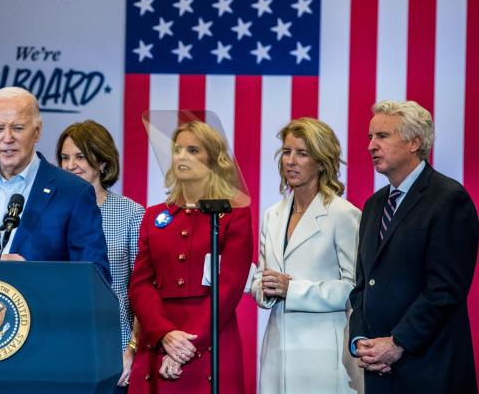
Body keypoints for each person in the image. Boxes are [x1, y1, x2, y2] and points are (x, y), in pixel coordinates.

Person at [349, 100, 479, 393]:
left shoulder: (449, 200)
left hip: (430, 370)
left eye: (382, 136)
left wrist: (397, 343)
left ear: (414, 143)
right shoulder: (373, 205)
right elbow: (362, 286)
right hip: (379, 371)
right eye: (370, 137)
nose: (371, 146)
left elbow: (444, 290)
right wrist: (361, 343)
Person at [0, 87, 110, 282]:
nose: (7, 138)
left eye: (17, 128)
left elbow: (97, 275)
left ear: (37, 132)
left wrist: (34, 274)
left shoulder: (74, 192)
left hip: (44, 310)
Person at [128, 120, 252, 393]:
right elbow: (140, 284)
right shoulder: (154, 215)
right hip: (159, 337)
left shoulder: (234, 214)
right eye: (178, 150)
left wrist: (186, 345)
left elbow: (230, 287)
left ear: (214, 159)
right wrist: (165, 334)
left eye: (193, 150)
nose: (182, 156)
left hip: (211, 338)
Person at [251, 117, 362, 393]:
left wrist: (293, 289)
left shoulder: (343, 214)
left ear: (322, 162)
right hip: (276, 351)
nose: (291, 161)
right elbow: (261, 276)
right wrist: (262, 288)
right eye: (287, 152)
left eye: (302, 153)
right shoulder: (272, 215)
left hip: (325, 353)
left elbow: (354, 289)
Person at [56, 120, 145, 390]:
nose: (70, 165)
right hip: (58, 348)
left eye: (80, 156)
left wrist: (131, 349)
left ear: (103, 162)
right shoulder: (48, 213)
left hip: (114, 350)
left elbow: (143, 290)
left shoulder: (132, 214)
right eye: (64, 158)